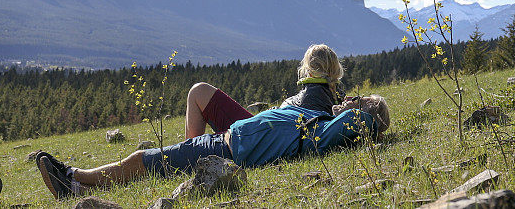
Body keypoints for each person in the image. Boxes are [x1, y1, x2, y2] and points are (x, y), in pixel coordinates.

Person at [37, 94, 391, 200]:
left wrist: (369, 116)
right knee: (146, 160)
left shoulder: (333, 128)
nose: (346, 99)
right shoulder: (320, 121)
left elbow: (360, 121)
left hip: (224, 151)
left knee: (141, 161)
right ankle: (76, 181)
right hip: (223, 142)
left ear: (360, 114)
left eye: (355, 100)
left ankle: (73, 181)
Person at [185, 44, 344, 139]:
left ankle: (190, 152)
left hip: (255, 135)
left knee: (198, 91)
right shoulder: (337, 99)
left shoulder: (308, 96)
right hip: (266, 136)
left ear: (308, 70)